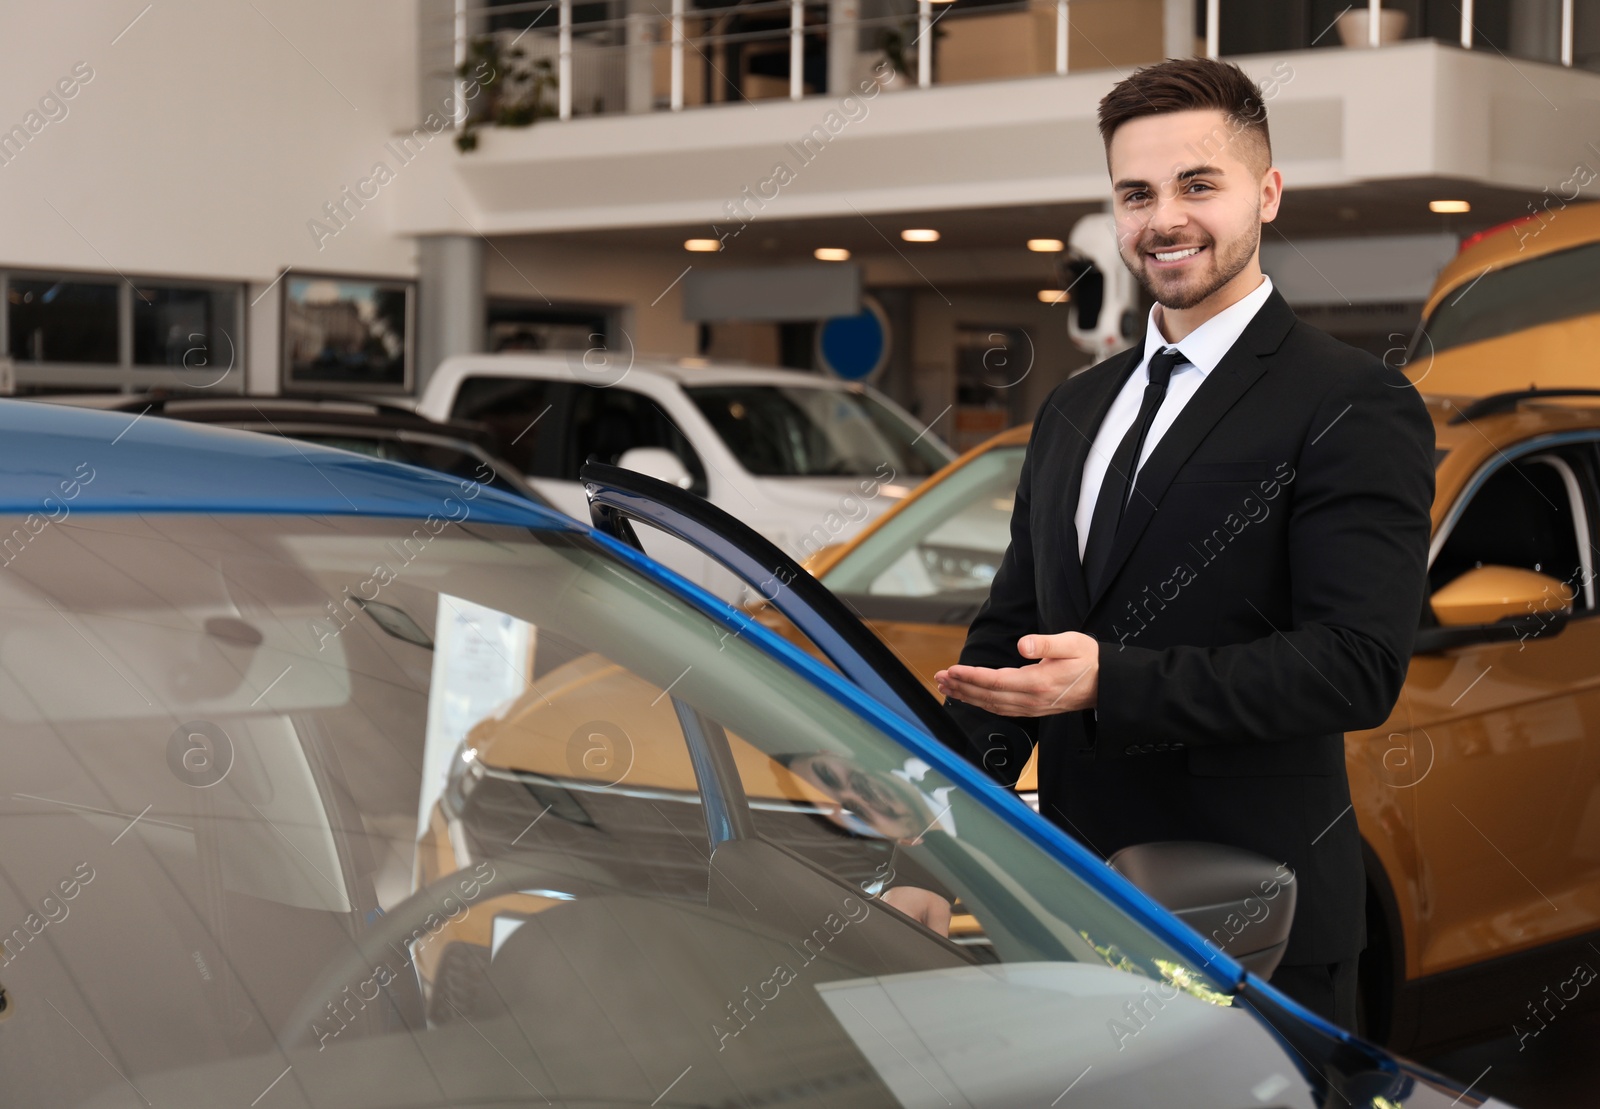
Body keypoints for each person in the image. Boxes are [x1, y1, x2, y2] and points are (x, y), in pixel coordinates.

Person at [933, 56, 1434, 1028]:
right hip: (1075, 913)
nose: (1164, 218)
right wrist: (927, 851)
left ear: (1267, 192)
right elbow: (1009, 643)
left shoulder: (1350, 401)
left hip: (1258, 924)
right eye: (1136, 193)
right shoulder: (1073, 408)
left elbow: (1355, 666)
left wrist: (1108, 680)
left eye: (1198, 185)